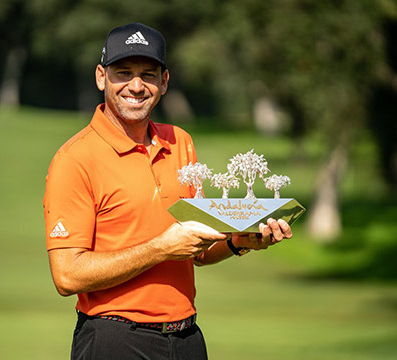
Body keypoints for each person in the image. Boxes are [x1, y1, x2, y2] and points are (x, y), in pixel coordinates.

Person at [43, 22, 293, 360]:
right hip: (115, 340)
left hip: (186, 338)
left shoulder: (180, 142)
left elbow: (197, 250)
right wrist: (160, 248)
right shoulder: (74, 159)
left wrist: (237, 242)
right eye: (123, 72)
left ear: (164, 82)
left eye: (148, 74)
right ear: (101, 77)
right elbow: (67, 275)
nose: (136, 85)